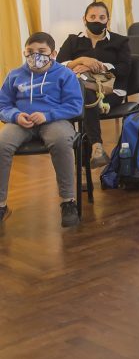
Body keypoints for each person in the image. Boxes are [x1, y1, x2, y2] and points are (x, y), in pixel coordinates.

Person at [0, 32, 85, 227]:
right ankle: (1, 205)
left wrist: (48, 115)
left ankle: (68, 201)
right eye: (30, 52)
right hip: (22, 122)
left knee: (62, 141)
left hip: (55, 121)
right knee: (2, 143)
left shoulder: (65, 75)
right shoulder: (14, 75)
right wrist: (15, 115)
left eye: (41, 51)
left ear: (53, 53)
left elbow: (74, 106)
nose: (35, 56)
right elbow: (2, 105)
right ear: (24, 52)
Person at [56, 1, 131, 169]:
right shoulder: (73, 40)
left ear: (108, 21)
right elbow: (58, 66)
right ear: (84, 19)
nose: (97, 21)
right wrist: (81, 60)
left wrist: (100, 66)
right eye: (93, 17)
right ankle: (96, 148)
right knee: (85, 95)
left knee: (83, 101)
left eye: (102, 17)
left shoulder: (120, 41)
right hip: (80, 92)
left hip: (110, 93)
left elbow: (125, 68)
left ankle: (82, 169)